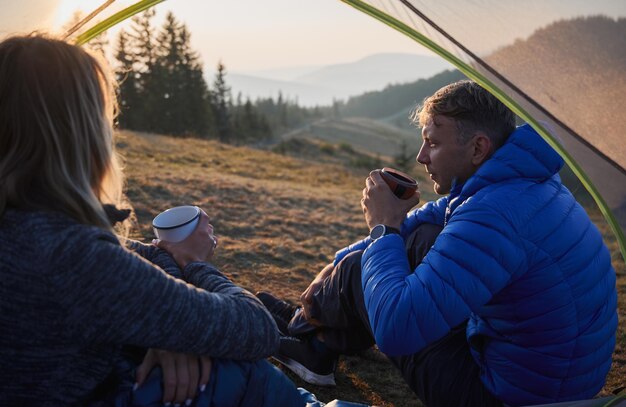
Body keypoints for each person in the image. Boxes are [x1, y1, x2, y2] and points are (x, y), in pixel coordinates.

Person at [259, 80, 618, 406]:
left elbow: (396, 329)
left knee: (363, 270)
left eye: (433, 142)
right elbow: (434, 215)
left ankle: (309, 342)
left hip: (504, 396)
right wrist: (341, 257)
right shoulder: (519, 179)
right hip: (546, 377)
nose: (421, 156)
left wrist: (382, 228)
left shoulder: (492, 216)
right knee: (416, 240)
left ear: (478, 147)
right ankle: (311, 328)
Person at [0, 34, 307, 406]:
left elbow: (131, 256)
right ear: (80, 136)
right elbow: (255, 329)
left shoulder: (23, 227)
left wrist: (168, 326)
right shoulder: (68, 254)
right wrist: (194, 264)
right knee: (234, 372)